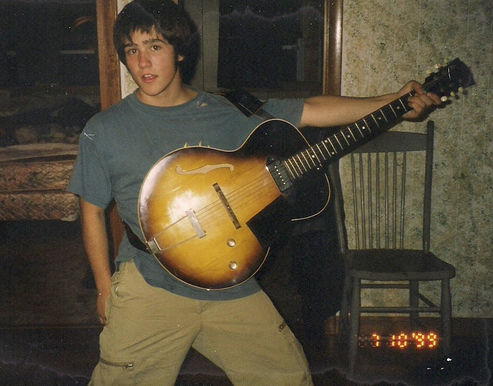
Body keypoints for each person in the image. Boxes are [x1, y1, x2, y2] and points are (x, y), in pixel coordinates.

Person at [67, 1, 441, 385]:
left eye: (155, 47)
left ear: (180, 50)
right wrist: (102, 286)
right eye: (132, 51)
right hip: (149, 284)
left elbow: (309, 108)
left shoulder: (228, 111)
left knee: (289, 379)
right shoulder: (104, 129)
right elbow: (92, 210)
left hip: (230, 280)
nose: (143, 62)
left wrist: (394, 104)